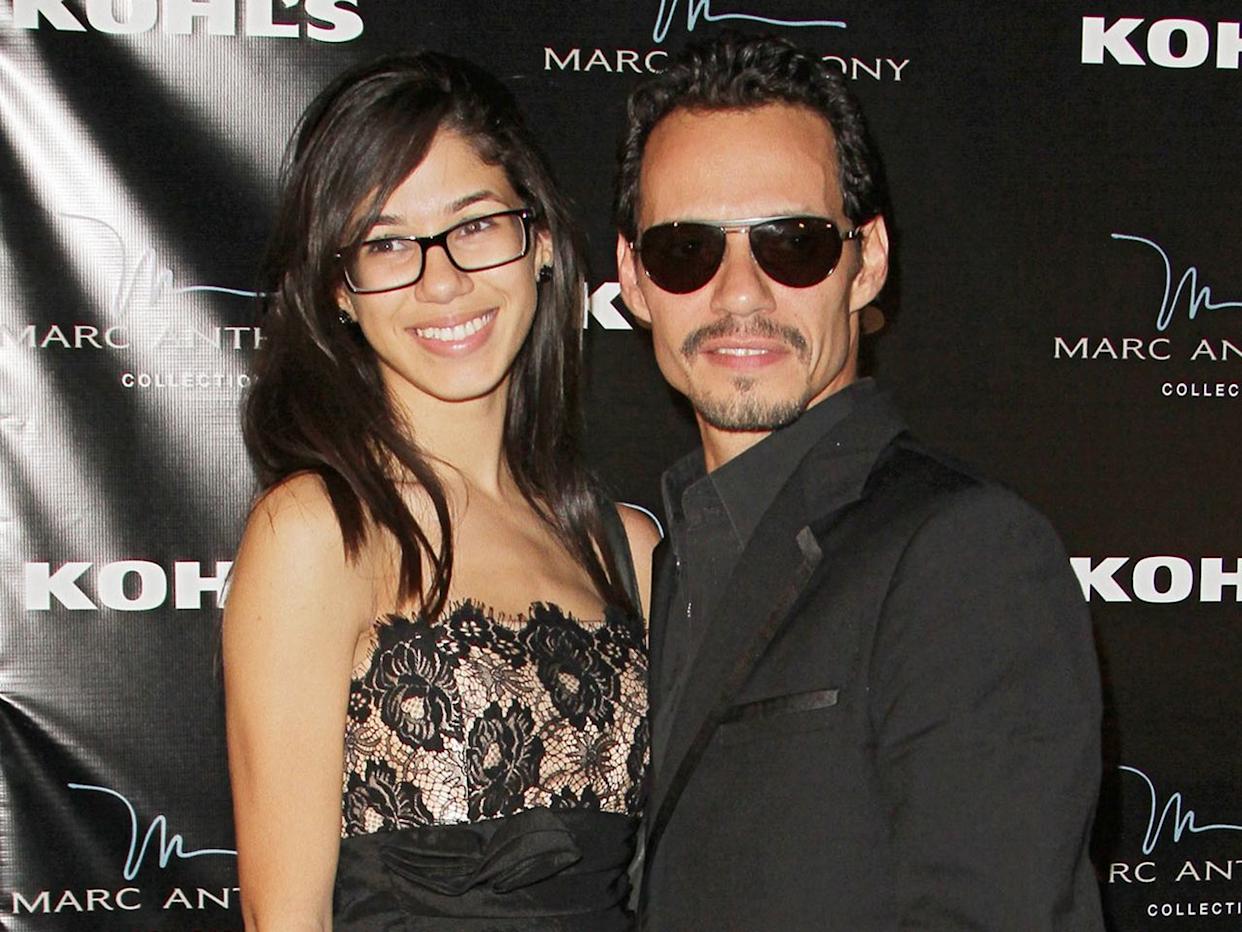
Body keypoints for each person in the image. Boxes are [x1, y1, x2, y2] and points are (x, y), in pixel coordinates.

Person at [614, 33, 1105, 930]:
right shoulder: (670, 555)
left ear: (866, 261)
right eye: (685, 250)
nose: (738, 293)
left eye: (792, 244)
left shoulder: (964, 554)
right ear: (633, 279)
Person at [223, 51, 659, 931]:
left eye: (477, 225)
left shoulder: (628, 552)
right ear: (340, 292)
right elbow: (284, 919)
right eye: (387, 244)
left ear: (540, 242)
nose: (443, 279)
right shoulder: (318, 534)